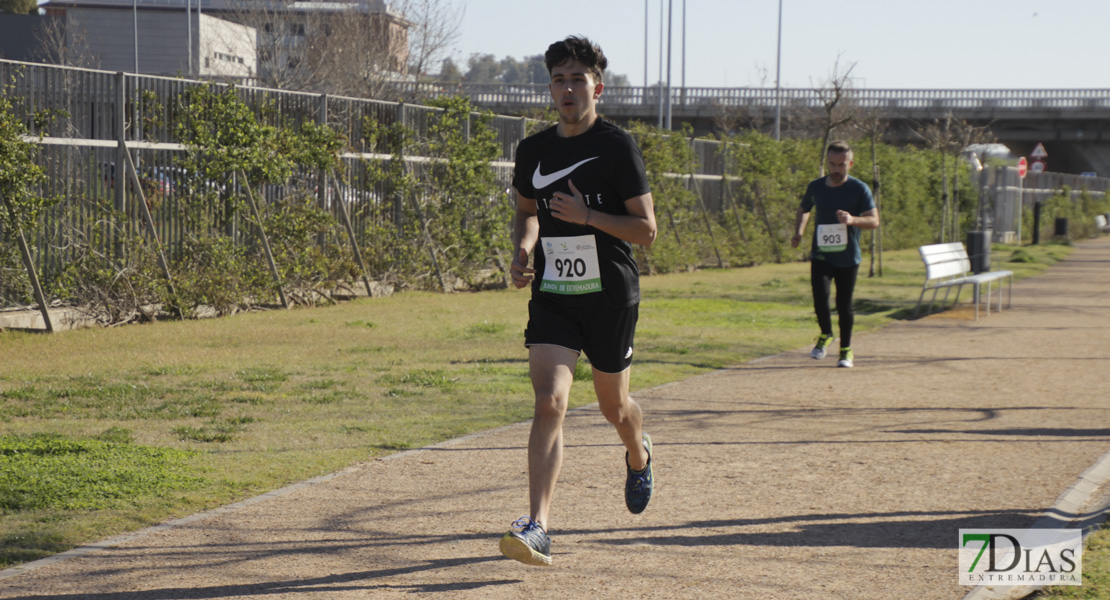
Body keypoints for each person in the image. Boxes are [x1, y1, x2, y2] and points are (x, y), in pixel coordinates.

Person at [499, 35, 658, 567]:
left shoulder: (617, 147)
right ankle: (538, 525)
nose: (568, 89)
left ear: (598, 87)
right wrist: (524, 247)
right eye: (559, 79)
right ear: (550, 88)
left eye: (577, 79)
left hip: (610, 296)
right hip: (555, 295)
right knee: (550, 401)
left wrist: (588, 216)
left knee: (614, 407)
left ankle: (638, 454)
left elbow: (647, 230)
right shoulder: (534, 149)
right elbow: (528, 210)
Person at [790, 140, 879, 368]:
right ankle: (826, 333)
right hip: (822, 254)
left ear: (850, 163)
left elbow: (874, 221)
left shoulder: (860, 189)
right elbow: (804, 208)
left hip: (848, 257)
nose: (836, 170)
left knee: (844, 304)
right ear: (827, 163)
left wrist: (852, 220)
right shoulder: (817, 186)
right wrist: (799, 232)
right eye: (832, 164)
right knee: (820, 296)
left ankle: (846, 350)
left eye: (841, 165)